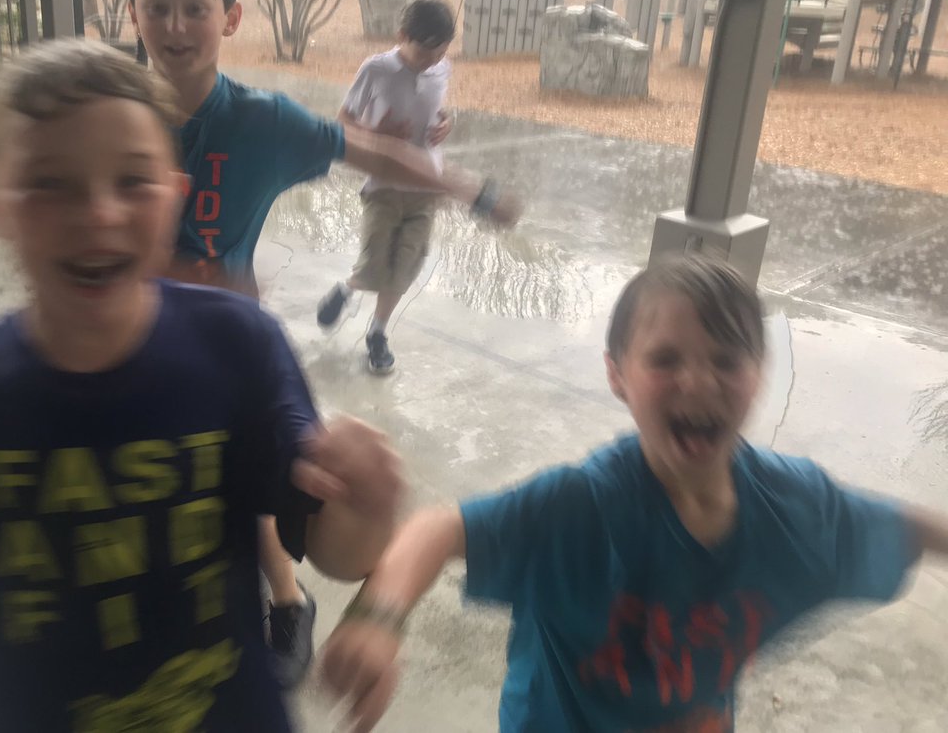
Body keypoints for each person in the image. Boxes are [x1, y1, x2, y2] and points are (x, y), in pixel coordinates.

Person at [0, 40, 405, 733]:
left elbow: (335, 549)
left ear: (174, 195)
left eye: (132, 180)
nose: (98, 213)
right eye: (50, 183)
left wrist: (365, 509)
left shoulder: (240, 348)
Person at [319, 253, 948, 732]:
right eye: (666, 360)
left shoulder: (796, 509)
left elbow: (909, 529)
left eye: (727, 360)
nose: (697, 382)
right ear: (617, 374)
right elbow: (440, 529)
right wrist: (379, 619)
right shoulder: (581, 510)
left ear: (759, 374)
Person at [126, 0, 520, 686]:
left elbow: (368, 150)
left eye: (195, 8)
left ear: (231, 18)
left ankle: (286, 596)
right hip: (131, 350)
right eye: (158, 7)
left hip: (226, 351)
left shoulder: (261, 122)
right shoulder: (110, 112)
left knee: (261, 477)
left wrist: (468, 188)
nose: (175, 26)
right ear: (133, 14)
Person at [315, 0, 456, 375]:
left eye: (441, 53)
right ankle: (347, 289)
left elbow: (438, 107)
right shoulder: (377, 70)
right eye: (424, 52)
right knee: (376, 258)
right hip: (383, 185)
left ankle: (377, 333)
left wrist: (447, 122)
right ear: (402, 36)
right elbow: (343, 122)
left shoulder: (441, 69)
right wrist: (378, 132)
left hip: (426, 187)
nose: (432, 62)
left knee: (405, 264)